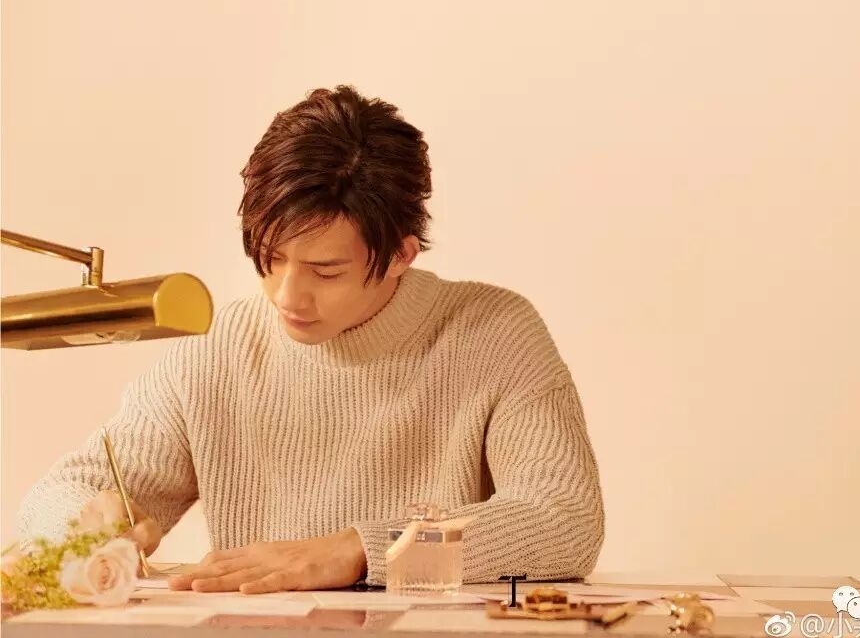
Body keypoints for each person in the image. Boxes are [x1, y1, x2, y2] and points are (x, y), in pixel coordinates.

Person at [17, 85, 605, 594]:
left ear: (401, 254)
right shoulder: (218, 351)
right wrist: (86, 527)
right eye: (271, 259)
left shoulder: (493, 332)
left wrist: (360, 550)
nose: (287, 296)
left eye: (326, 271)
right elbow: (62, 491)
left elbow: (565, 519)